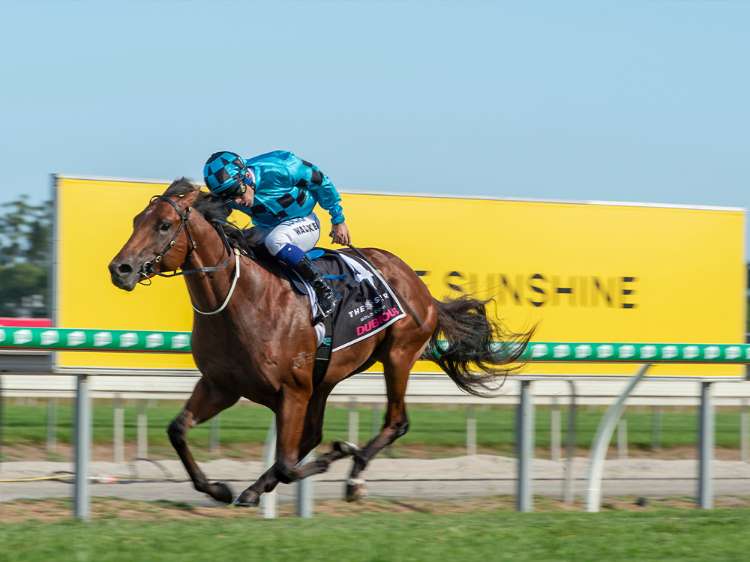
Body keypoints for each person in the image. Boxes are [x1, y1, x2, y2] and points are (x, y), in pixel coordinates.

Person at [203, 150, 351, 318]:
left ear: (247, 177)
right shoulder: (229, 189)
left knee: (276, 240)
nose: (236, 201)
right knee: (237, 241)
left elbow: (321, 181)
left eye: (237, 192)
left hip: (304, 220)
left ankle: (322, 288)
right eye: (228, 198)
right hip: (267, 227)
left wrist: (338, 220)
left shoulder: (280, 168)